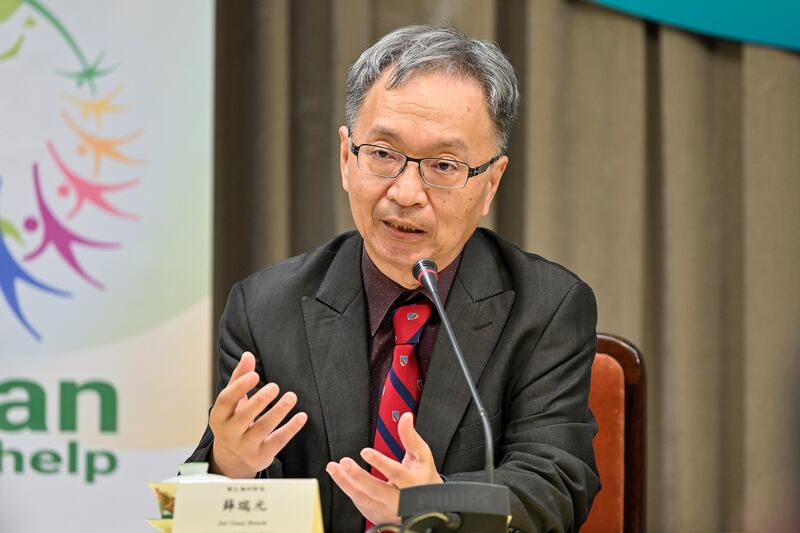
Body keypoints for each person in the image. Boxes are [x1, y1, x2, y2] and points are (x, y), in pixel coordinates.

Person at [188, 25, 600, 532]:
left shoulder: (547, 306)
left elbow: (556, 484)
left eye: (443, 165)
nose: (405, 193)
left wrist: (439, 503)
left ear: (490, 183)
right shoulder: (265, 307)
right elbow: (206, 505)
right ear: (347, 158)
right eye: (383, 154)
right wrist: (228, 466)